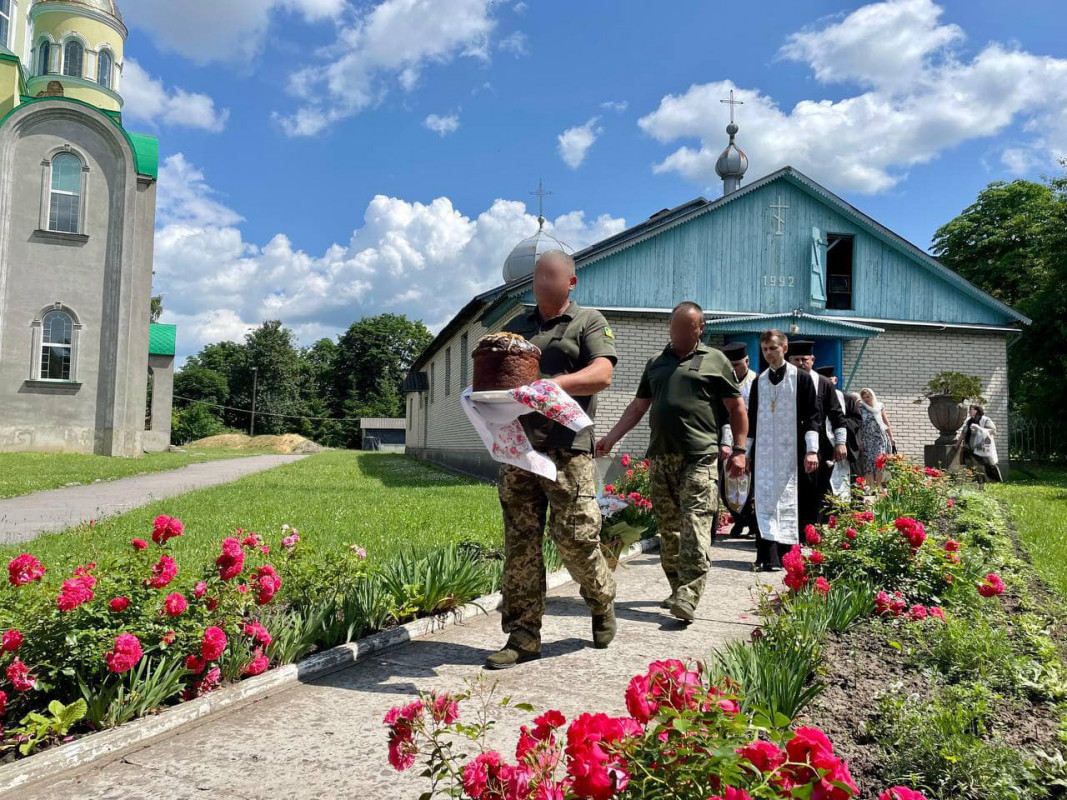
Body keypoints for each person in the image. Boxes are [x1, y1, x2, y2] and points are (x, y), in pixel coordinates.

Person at [488, 249, 619, 670]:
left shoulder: (588, 321)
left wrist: (550, 386)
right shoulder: (517, 328)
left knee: (576, 540)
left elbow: (602, 374)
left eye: (550, 275)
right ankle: (523, 636)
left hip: (568, 448)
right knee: (521, 546)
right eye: (537, 276)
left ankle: (600, 600)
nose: (541, 282)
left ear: (571, 281)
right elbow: (493, 373)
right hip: (519, 450)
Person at [596, 302, 748, 622]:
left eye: (686, 327)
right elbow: (638, 407)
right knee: (670, 531)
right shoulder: (656, 363)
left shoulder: (716, 360)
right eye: (674, 326)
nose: (678, 332)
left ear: (700, 329)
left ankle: (690, 595)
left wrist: (738, 450)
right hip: (662, 458)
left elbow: (737, 410)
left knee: (695, 525)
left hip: (701, 456)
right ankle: (678, 588)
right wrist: (611, 438)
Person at [746, 330, 821, 571]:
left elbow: (813, 416)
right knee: (765, 500)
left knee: (789, 500)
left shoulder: (801, 378)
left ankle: (787, 555)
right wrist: (746, 452)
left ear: (784, 349)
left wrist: (812, 450)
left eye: (773, 348)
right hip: (765, 453)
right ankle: (767, 557)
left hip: (792, 451)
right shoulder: (760, 381)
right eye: (765, 349)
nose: (769, 354)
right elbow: (751, 418)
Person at [787, 341, 847, 518]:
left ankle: (813, 529)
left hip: (820, 444)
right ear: (788, 360)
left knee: (817, 489)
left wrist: (840, 443)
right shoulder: (783, 382)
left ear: (812, 360)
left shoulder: (823, 383)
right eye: (796, 359)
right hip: (790, 442)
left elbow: (837, 415)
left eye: (804, 359)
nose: (800, 363)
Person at [720, 341, 757, 537]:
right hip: (728, 437)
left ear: (747, 361)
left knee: (750, 483)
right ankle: (738, 519)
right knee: (729, 482)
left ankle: (751, 520)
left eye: (736, 365)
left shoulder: (757, 382)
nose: (733, 369)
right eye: (729, 365)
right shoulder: (723, 381)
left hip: (752, 437)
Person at [816, 366, 863, 501]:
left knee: (845, 483)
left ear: (835, 380)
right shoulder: (816, 397)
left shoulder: (846, 398)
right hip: (822, 446)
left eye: (829, 380)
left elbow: (856, 420)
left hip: (843, 446)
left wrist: (839, 424)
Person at [858, 388, 895, 487]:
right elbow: (859, 425)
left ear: (872, 396)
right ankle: (870, 487)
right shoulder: (861, 408)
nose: (866, 399)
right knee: (868, 462)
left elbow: (886, 422)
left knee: (880, 462)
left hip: (879, 438)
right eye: (864, 397)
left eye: (868, 396)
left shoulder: (879, 406)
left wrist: (891, 437)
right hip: (866, 439)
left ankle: (879, 485)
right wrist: (859, 440)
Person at [956, 404, 1002, 482]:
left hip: (982, 448)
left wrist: (979, 429)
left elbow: (993, 431)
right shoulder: (969, 422)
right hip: (970, 447)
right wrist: (957, 444)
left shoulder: (985, 420)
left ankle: (994, 480)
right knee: (971, 465)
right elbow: (964, 433)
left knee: (988, 465)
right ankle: (976, 481)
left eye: (971, 409)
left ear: (977, 410)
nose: (969, 411)